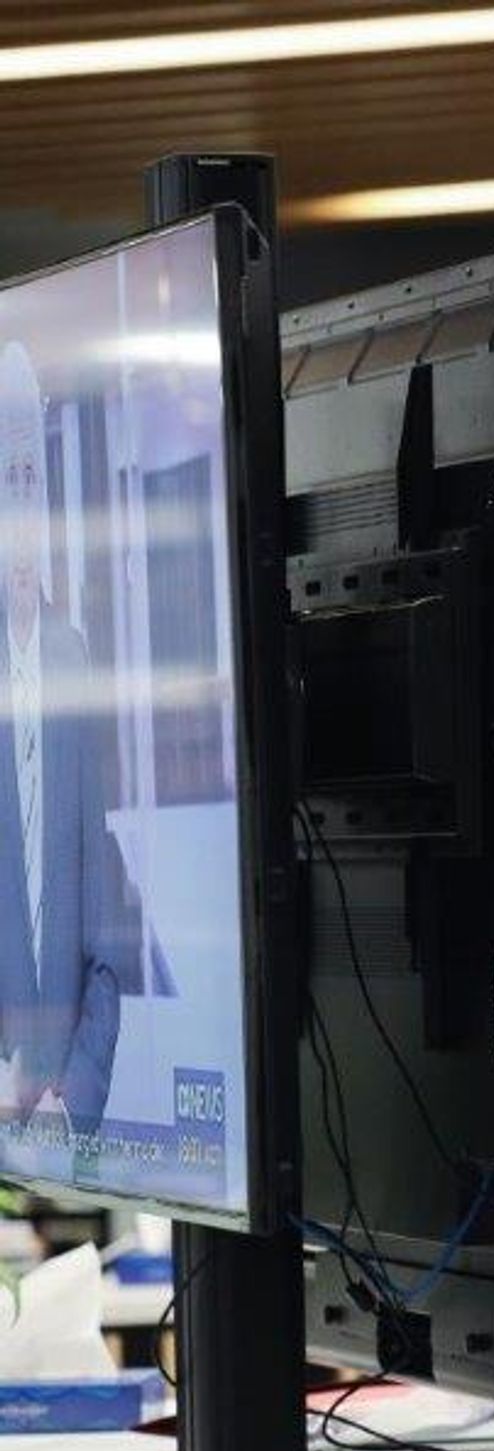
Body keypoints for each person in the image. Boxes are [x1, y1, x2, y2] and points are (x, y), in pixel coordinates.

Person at [0, 340, 124, 1137]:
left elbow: (102, 917)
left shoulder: (75, 658)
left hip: (60, 1119)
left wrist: (73, 1094)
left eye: (27, 481)